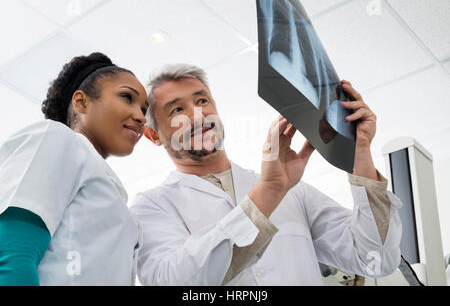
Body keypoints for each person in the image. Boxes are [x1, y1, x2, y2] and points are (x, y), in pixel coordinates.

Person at [130, 64, 403, 285]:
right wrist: (269, 192)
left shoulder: (293, 190)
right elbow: (173, 282)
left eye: (202, 100)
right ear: (153, 135)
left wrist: (360, 154)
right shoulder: (151, 206)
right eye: (177, 109)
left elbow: (374, 257)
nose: (198, 115)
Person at [0, 52, 149, 285]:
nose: (140, 117)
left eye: (144, 110)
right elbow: (12, 254)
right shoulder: (57, 138)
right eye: (127, 97)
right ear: (81, 102)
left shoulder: (117, 200)